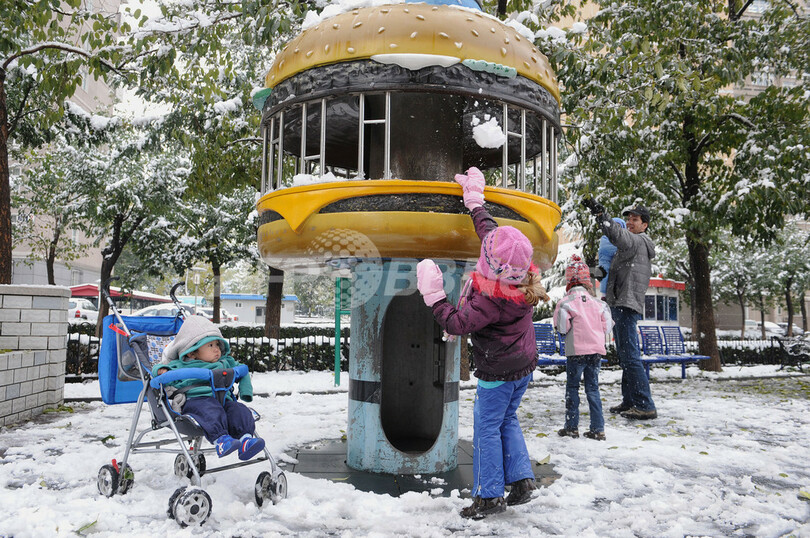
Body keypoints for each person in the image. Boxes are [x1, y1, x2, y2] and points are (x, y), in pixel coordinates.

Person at [416, 167, 550, 520]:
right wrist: (475, 199)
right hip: (522, 366)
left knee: (487, 427)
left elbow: (457, 324)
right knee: (508, 418)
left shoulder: (492, 299)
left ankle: (489, 495)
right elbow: (489, 230)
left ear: (492, 265)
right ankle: (521, 481)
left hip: (499, 370)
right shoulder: (517, 272)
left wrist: (434, 295)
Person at [582, 198, 657, 420]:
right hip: (623, 302)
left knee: (630, 356)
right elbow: (610, 272)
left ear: (645, 224)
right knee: (626, 355)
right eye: (629, 218)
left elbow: (617, 234)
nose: (630, 222)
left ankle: (645, 404)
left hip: (625, 303)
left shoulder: (637, 241)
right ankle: (631, 400)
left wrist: (601, 215)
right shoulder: (634, 245)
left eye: (635, 219)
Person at [153, 315, 266, 460]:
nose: (216, 349)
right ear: (192, 351)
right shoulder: (180, 365)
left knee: (240, 410)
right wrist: (161, 371)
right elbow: (157, 371)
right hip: (196, 401)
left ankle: (245, 439)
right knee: (210, 409)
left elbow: (242, 370)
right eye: (210, 345)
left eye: (217, 344)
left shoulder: (224, 362)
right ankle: (221, 440)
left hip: (222, 400)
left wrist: (245, 391)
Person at [554, 255, 613, 440]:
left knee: (572, 388)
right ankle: (598, 428)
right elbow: (608, 327)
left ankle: (572, 426)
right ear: (587, 280)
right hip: (595, 352)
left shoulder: (565, 303)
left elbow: (563, 328)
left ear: (569, 281)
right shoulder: (600, 304)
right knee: (593, 389)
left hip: (576, 352)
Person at [597, 218, 626, 296]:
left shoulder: (626, 240)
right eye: (613, 225)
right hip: (606, 266)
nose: (616, 228)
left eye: (618, 226)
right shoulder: (605, 238)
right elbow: (606, 249)